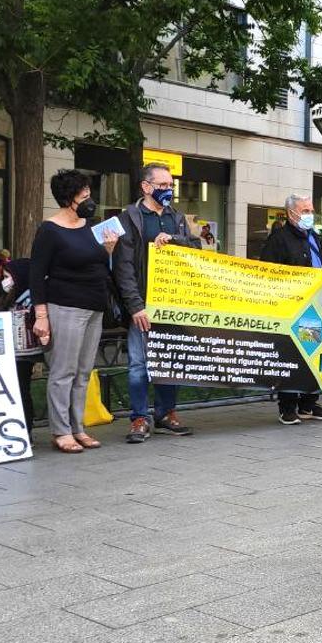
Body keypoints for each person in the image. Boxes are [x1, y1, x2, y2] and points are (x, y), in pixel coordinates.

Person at [30, 169, 118, 453]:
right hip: (65, 305)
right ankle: (61, 430)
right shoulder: (50, 230)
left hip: (94, 305)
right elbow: (36, 274)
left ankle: (78, 427)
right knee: (63, 371)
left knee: (83, 372)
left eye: (89, 195)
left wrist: (109, 250)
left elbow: (98, 266)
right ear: (68, 198)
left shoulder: (91, 227)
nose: (89, 201)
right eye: (84, 196)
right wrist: (41, 316)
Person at [113, 162, 199, 442]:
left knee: (171, 360)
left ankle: (166, 413)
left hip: (172, 303)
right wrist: (135, 305)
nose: (168, 190)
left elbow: (197, 247)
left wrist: (175, 239)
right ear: (146, 186)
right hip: (143, 304)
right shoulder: (131, 217)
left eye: (170, 185)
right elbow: (123, 266)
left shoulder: (177, 217)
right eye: (162, 185)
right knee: (139, 363)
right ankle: (139, 418)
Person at [262, 193, 322, 424]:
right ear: (291, 213)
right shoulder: (279, 239)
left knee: (318, 353)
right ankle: (287, 406)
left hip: (319, 307)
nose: (310, 215)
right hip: (294, 308)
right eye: (305, 211)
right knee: (293, 354)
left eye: (311, 210)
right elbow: (267, 272)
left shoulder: (313, 237)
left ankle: (309, 403)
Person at [0, 259, 42, 432]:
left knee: (22, 390)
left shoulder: (32, 303)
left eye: (8, 276)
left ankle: (26, 431)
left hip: (24, 355)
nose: (5, 281)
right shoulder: (10, 300)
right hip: (10, 354)